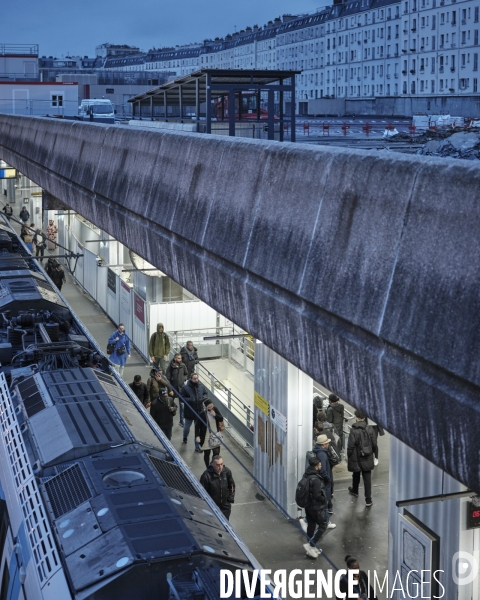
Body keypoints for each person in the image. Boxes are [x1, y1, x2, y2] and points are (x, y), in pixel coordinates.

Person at [347, 410, 378, 507]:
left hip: (356, 457)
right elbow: (374, 444)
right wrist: (372, 454)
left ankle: (355, 490)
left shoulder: (353, 430)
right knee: (367, 478)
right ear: (364, 418)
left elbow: (351, 446)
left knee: (356, 474)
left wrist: (349, 456)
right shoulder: (370, 429)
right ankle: (368, 500)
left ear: (356, 418)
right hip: (367, 457)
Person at [301, 457, 329, 559]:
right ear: (316, 467)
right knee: (323, 525)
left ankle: (311, 547)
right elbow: (317, 495)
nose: (321, 467)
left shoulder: (306, 474)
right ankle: (311, 544)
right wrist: (324, 499)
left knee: (311, 525)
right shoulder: (316, 479)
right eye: (320, 465)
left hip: (308, 505)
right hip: (316, 506)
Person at [200, 455, 235, 521]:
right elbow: (202, 492)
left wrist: (230, 499)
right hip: (212, 506)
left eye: (221, 464)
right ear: (212, 464)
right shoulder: (206, 476)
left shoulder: (227, 472)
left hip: (225, 506)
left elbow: (232, 486)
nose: (220, 467)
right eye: (218, 465)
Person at [181, 372, 208, 449]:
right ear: (191, 379)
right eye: (194, 379)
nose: (196, 380)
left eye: (197, 378)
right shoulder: (185, 388)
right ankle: (185, 437)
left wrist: (203, 398)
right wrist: (190, 400)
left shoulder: (201, 386)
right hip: (189, 411)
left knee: (197, 430)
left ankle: (197, 446)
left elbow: (205, 393)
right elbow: (181, 398)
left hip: (199, 411)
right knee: (187, 427)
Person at [195, 398, 224, 468]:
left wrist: (215, 415)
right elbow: (197, 426)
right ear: (205, 407)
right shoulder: (202, 414)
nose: (211, 408)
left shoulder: (215, 409)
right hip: (206, 436)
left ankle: (213, 465)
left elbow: (221, 418)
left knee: (216, 454)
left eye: (212, 406)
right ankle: (208, 467)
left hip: (215, 435)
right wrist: (197, 436)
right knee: (207, 453)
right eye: (209, 407)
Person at [313, 434, 337, 518]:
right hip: (325, 479)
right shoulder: (322, 455)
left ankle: (328, 509)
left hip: (324, 478)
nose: (328, 444)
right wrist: (327, 478)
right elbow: (323, 469)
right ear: (323, 444)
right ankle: (326, 515)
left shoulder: (318, 452)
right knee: (326, 496)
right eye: (327, 443)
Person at [166, 352, 188, 426]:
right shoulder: (170, 367)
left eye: (181, 358)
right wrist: (170, 390)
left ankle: (181, 421)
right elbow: (167, 379)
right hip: (172, 388)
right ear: (175, 358)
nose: (180, 359)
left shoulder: (183, 365)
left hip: (181, 389)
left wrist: (183, 379)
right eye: (179, 358)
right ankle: (169, 420)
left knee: (182, 405)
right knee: (170, 405)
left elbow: (186, 374)